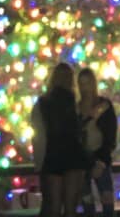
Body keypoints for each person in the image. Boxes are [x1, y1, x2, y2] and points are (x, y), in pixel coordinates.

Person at [33, 64, 87, 217]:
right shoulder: (74, 103)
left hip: (53, 156)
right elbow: (80, 132)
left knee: (53, 206)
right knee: (71, 208)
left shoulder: (43, 103)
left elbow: (39, 135)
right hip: (73, 156)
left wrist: (39, 163)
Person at [77, 68, 117, 217]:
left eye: (87, 83)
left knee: (107, 204)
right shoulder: (77, 108)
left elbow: (110, 137)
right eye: (81, 84)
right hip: (82, 162)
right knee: (87, 205)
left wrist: (101, 161)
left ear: (93, 84)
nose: (84, 88)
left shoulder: (104, 106)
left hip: (101, 159)